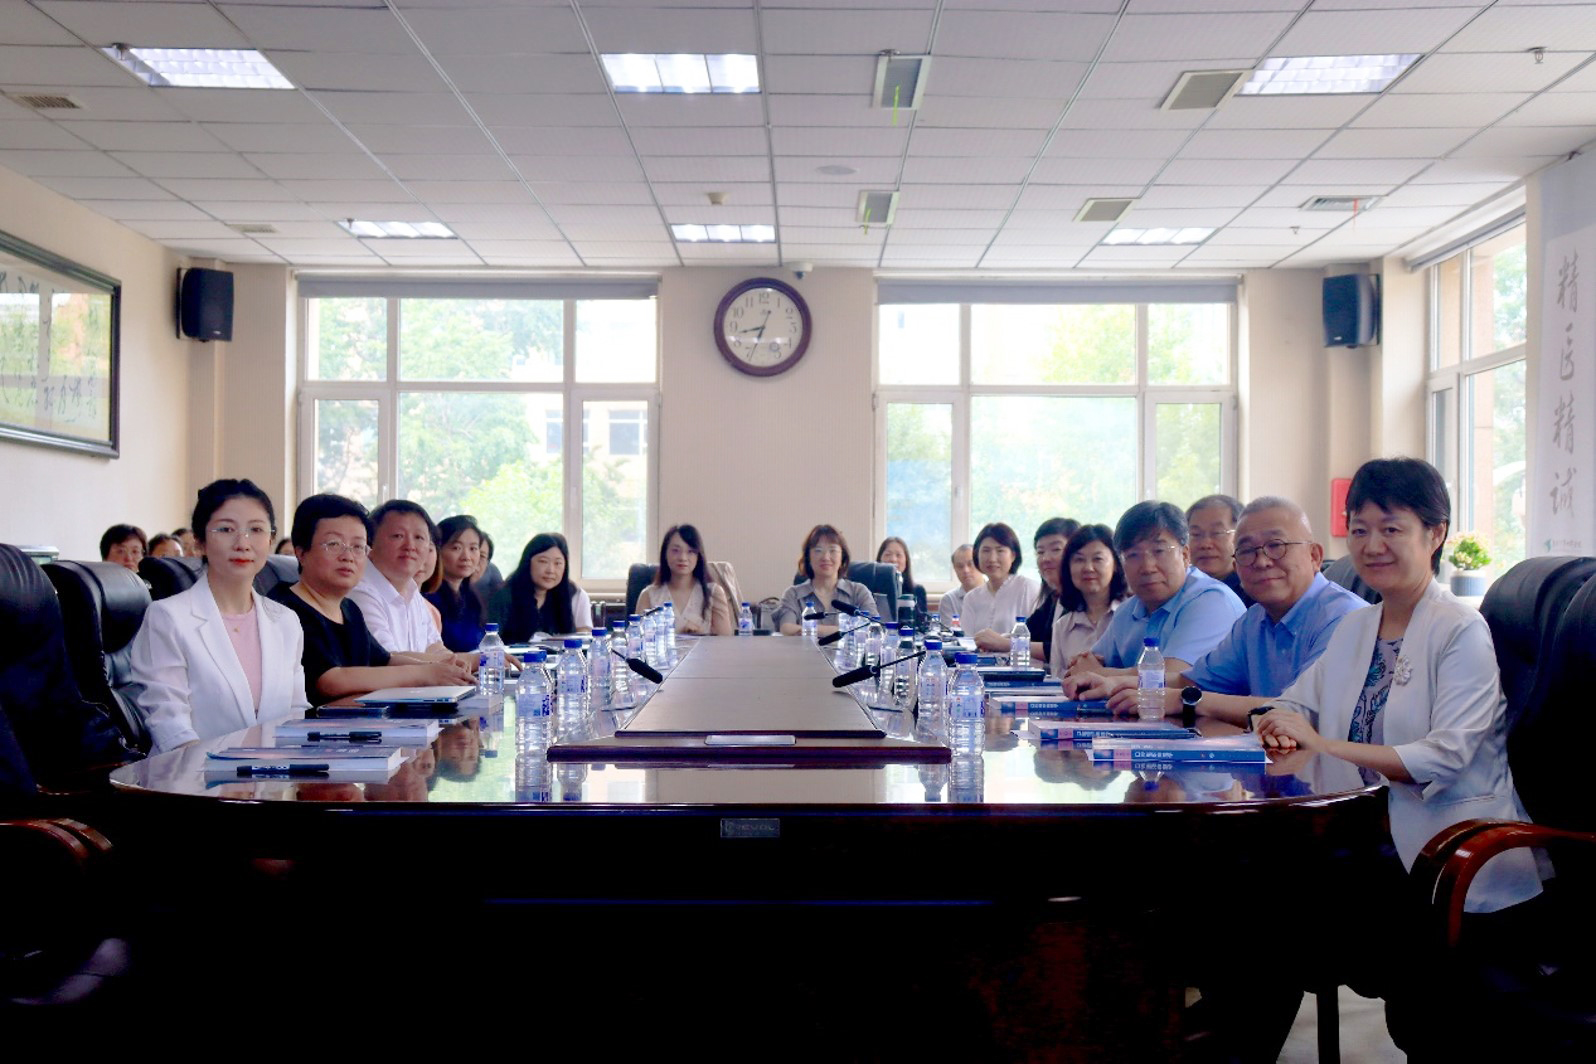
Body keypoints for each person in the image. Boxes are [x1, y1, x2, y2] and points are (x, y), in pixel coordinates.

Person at [1241, 460, 1542, 1058]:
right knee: (1251, 907)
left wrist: (1322, 744)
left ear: (1435, 534)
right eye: (1359, 529)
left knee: (1272, 917)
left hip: (1445, 852)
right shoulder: (1357, 626)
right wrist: (1277, 720)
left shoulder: (1460, 630)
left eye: (1391, 529)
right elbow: (1296, 701)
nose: (1371, 545)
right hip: (1367, 839)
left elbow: (1445, 756)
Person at [1072, 497, 1368, 717]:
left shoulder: (1344, 617)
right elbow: (1191, 680)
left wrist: (1183, 700)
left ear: (1315, 556)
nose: (1262, 561)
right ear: (1236, 566)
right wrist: (1115, 685)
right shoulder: (1254, 621)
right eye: (1247, 551)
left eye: (1276, 546)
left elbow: (1300, 710)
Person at [127, 479, 310, 752]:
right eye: (226, 529)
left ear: (271, 539)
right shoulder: (167, 618)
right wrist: (219, 772)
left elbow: (295, 714)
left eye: (256, 530)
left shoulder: (285, 621)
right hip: (193, 774)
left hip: (274, 773)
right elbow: (170, 725)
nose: (242, 543)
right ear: (200, 541)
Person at [267, 493, 476, 705]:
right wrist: (424, 675)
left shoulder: (348, 608)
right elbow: (331, 680)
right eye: (334, 544)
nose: (348, 556)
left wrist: (442, 667)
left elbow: (385, 659)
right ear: (301, 552)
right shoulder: (285, 608)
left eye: (358, 546)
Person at [1063, 501, 1244, 684]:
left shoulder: (1212, 602)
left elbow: (1171, 678)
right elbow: (1085, 665)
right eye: (1133, 555)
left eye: (1159, 551)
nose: (1147, 567)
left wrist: (1096, 674)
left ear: (1185, 555)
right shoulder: (1127, 611)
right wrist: (1087, 670)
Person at [346, 499, 472, 667]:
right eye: (398, 536)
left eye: (419, 537)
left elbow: (435, 648)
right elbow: (387, 659)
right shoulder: (359, 592)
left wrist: (457, 664)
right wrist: (467, 661)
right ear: (370, 543)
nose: (410, 546)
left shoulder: (412, 591)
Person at [1048, 524, 1126, 677]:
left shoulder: (1133, 616)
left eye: (1098, 559)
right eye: (1079, 560)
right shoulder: (1063, 626)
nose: (1088, 568)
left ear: (1116, 564)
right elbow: (1058, 683)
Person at [774, 525, 876, 635]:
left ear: (842, 557)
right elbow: (786, 628)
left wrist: (807, 629)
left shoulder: (859, 592)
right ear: (808, 557)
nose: (826, 557)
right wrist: (848, 630)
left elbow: (872, 628)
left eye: (833, 550)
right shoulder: (793, 594)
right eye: (818, 550)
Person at [493, 532, 593, 641]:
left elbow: (578, 637)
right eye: (543, 561)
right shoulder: (505, 597)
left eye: (558, 563)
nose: (551, 570)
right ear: (527, 562)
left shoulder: (570, 595)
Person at [959, 522, 1042, 652]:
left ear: (1013, 555)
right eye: (986, 551)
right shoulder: (971, 598)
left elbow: (1039, 642)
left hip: (1021, 663)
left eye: (1000, 551)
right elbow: (967, 643)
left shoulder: (1028, 588)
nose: (992, 559)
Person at [640, 524, 733, 636]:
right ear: (665, 554)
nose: (682, 558)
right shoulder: (649, 595)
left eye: (691, 552)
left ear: (698, 556)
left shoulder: (713, 593)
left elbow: (725, 642)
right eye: (675, 550)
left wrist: (700, 634)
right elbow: (637, 639)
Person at [423, 515, 489, 652]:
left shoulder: (471, 597)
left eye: (473, 549)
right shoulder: (428, 596)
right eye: (456, 548)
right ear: (437, 550)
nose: (466, 557)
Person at [1023, 517, 1080, 667]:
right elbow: (1028, 632)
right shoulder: (1054, 598)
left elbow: (1060, 650)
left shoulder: (1085, 600)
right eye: (1040, 552)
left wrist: (1006, 644)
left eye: (1056, 550)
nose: (1045, 559)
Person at [1185, 494, 1254, 608]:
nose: (1205, 544)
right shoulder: (1178, 591)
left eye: (1217, 533)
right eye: (1195, 534)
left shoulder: (1255, 593)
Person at [875, 537, 927, 621]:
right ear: (879, 559)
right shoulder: (870, 590)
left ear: (906, 561)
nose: (893, 559)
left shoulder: (918, 590)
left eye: (898, 555)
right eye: (888, 554)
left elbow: (922, 623)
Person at [936, 543, 983, 628]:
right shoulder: (949, 599)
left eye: (970, 564)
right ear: (955, 569)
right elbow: (950, 633)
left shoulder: (997, 593)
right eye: (960, 566)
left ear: (980, 563)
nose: (966, 570)